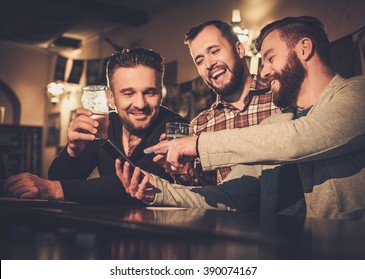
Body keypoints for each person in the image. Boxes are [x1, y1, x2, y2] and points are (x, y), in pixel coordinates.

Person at [118, 16, 365, 220]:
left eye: (270, 58)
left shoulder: (358, 93)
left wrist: (196, 144)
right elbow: (229, 196)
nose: (265, 70)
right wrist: (158, 191)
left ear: (304, 48)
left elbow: (299, 139)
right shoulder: (276, 124)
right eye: (199, 60)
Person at [3, 47, 187, 202]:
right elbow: (61, 179)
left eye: (150, 92)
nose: (140, 103)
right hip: (108, 233)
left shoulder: (174, 128)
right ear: (111, 98)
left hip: (159, 235)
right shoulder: (104, 124)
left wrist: (52, 189)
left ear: (160, 94)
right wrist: (73, 151)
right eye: (128, 93)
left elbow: (138, 184)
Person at [176, 20, 279, 185]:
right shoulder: (200, 126)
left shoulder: (280, 98)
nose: (209, 64)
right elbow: (204, 193)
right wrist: (184, 172)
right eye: (200, 61)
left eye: (214, 51)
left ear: (239, 49)